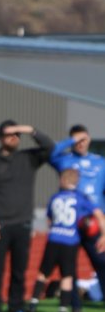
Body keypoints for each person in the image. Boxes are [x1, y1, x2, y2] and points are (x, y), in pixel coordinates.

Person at [0, 120, 54, 312]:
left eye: (17, 135)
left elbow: (50, 147)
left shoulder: (28, 158)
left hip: (22, 224)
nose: (14, 138)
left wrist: (29, 130)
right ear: (0, 137)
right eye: (9, 135)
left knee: (19, 272)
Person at [28, 168, 105, 312]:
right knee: (67, 276)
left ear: (62, 180)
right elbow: (98, 214)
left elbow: (49, 219)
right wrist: (103, 235)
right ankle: (63, 311)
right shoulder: (80, 197)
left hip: (54, 239)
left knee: (43, 273)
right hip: (70, 241)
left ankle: (33, 304)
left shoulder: (55, 197)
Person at [48, 124, 105, 296]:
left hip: (93, 222)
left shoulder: (100, 162)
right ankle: (73, 303)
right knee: (68, 266)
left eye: (83, 139)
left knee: (101, 261)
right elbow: (50, 152)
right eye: (77, 140)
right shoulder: (64, 160)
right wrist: (70, 140)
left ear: (89, 139)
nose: (81, 143)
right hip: (70, 223)